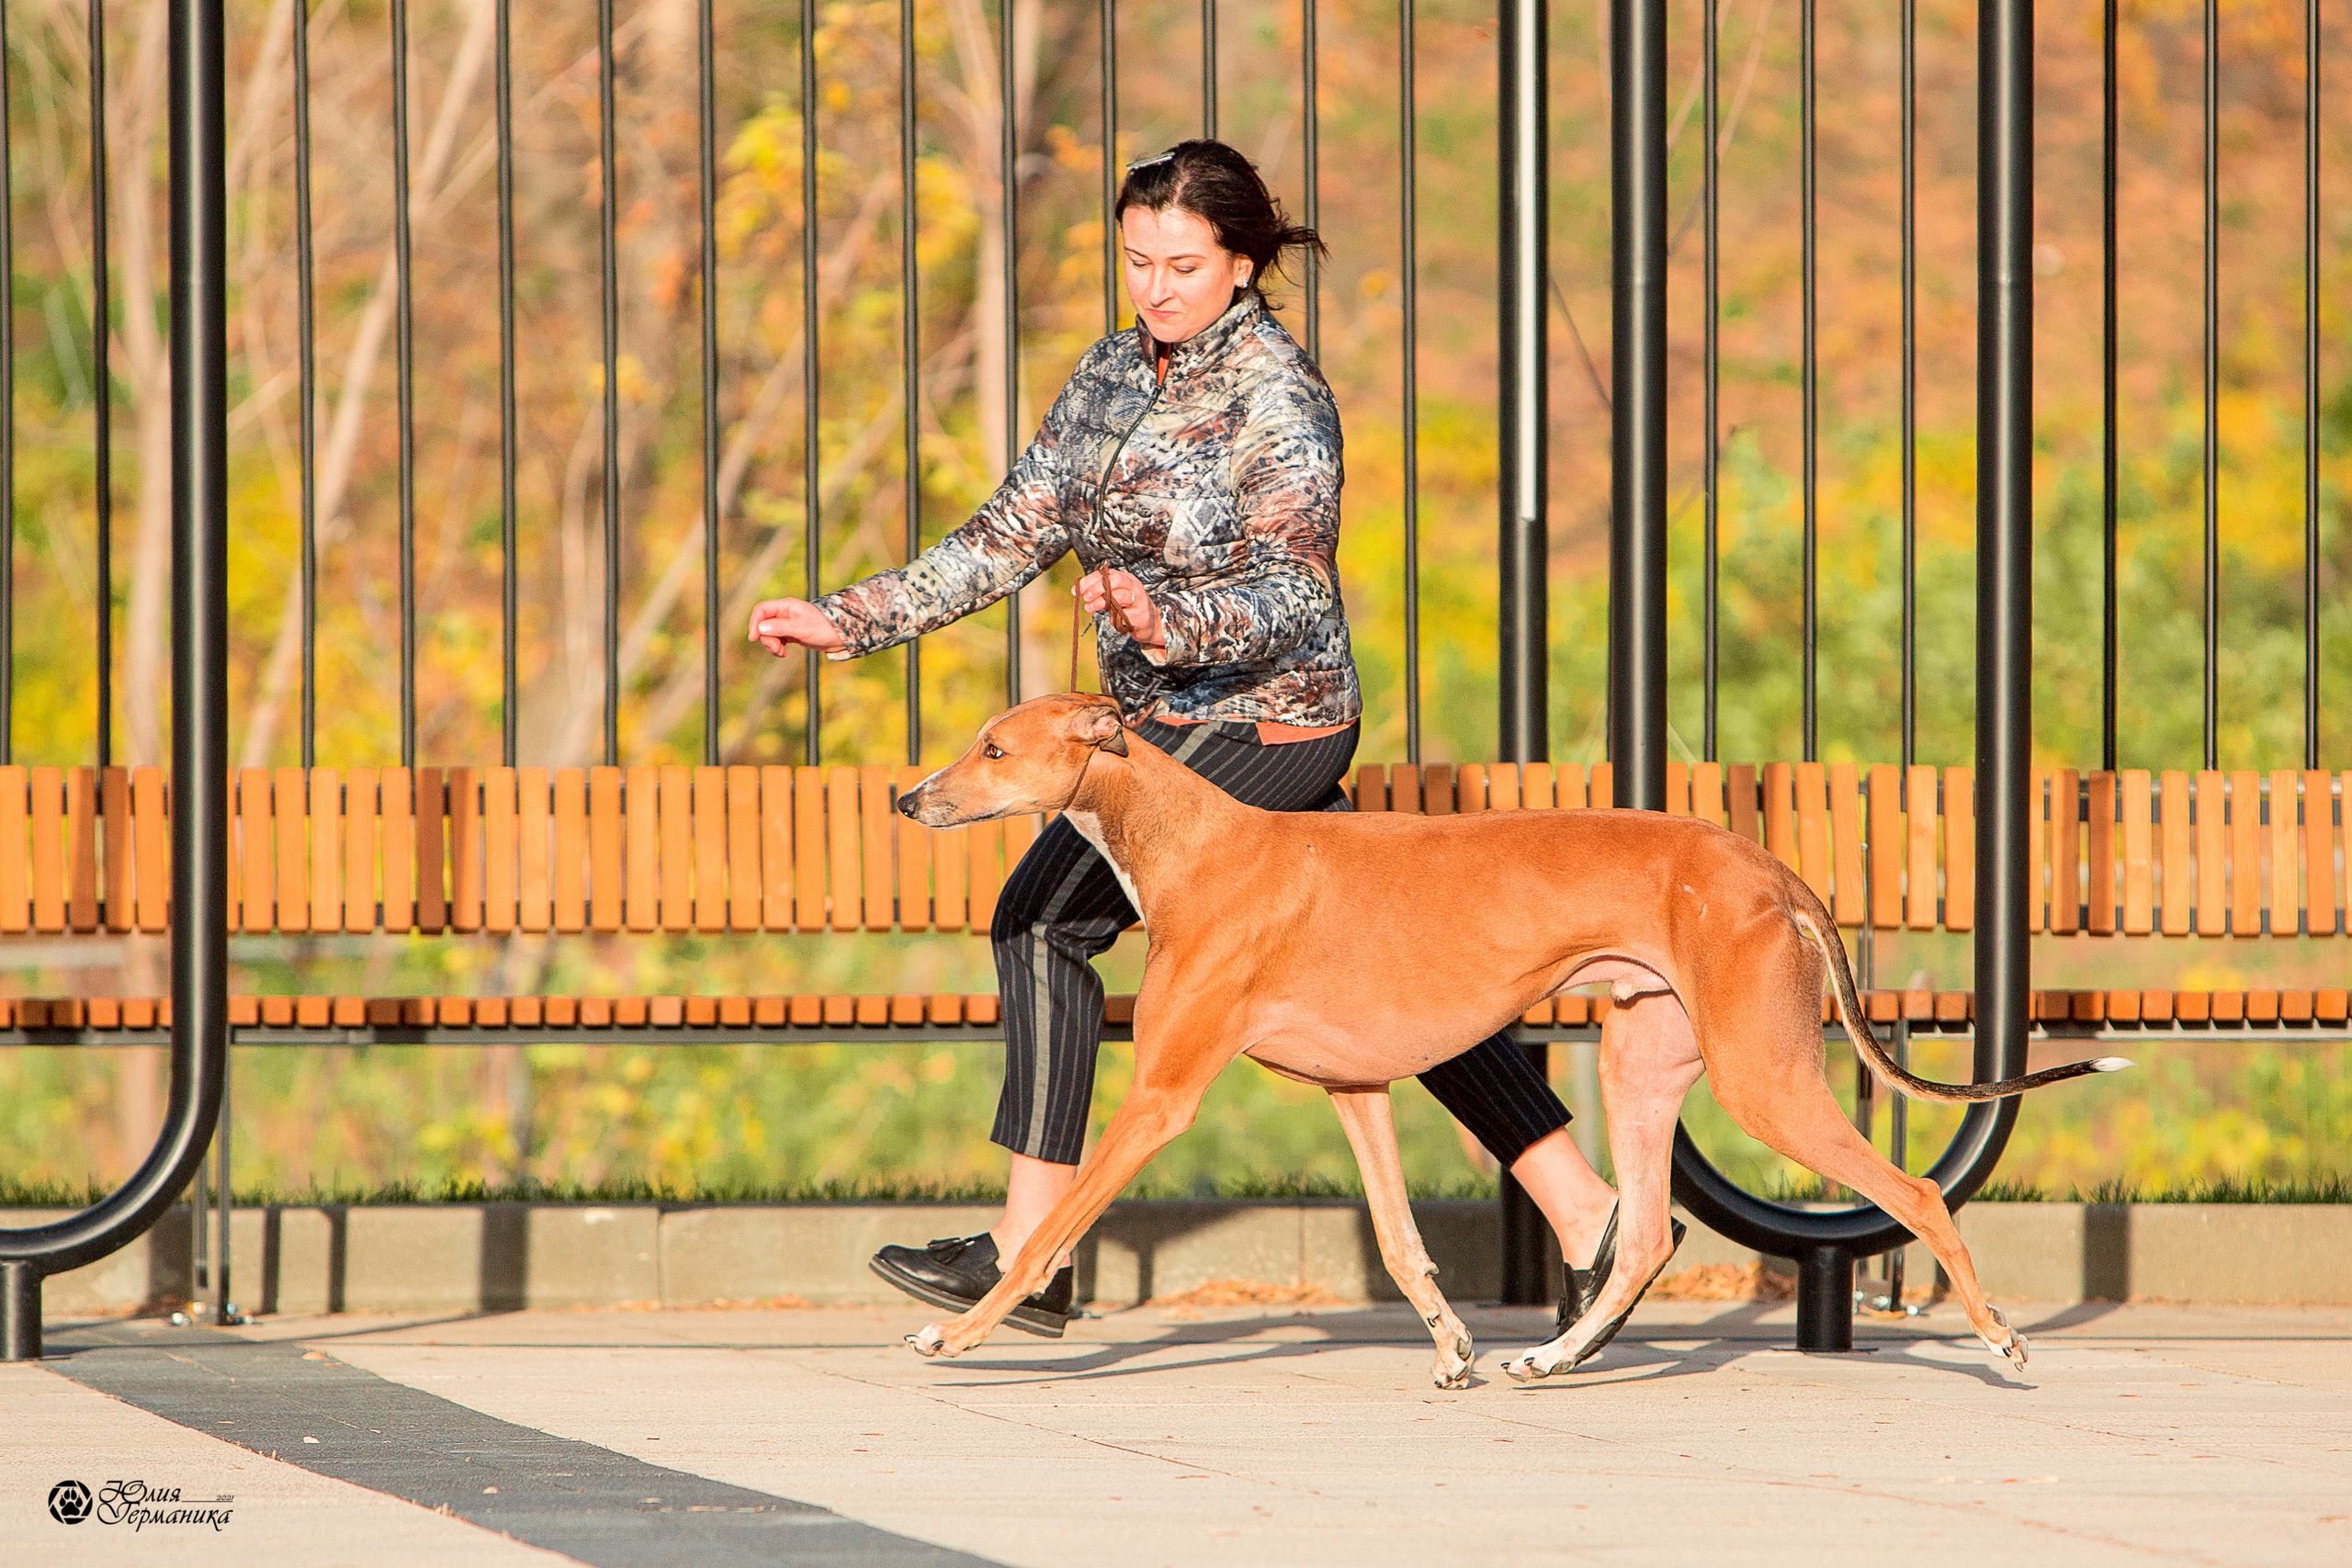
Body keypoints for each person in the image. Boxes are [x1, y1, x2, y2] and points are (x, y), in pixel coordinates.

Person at [749, 140, 1634, 1339]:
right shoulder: (1114, 372)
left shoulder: (1277, 393)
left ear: (1241, 263)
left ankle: (1031, 1250)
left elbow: (1295, 590)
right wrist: (849, 618)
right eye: (1136, 262)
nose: (1155, 288)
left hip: (1267, 718)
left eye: (1181, 264)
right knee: (1399, 980)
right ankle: (1588, 1217)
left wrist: (1170, 617)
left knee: (1042, 915)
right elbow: (1010, 533)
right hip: (1154, 728)